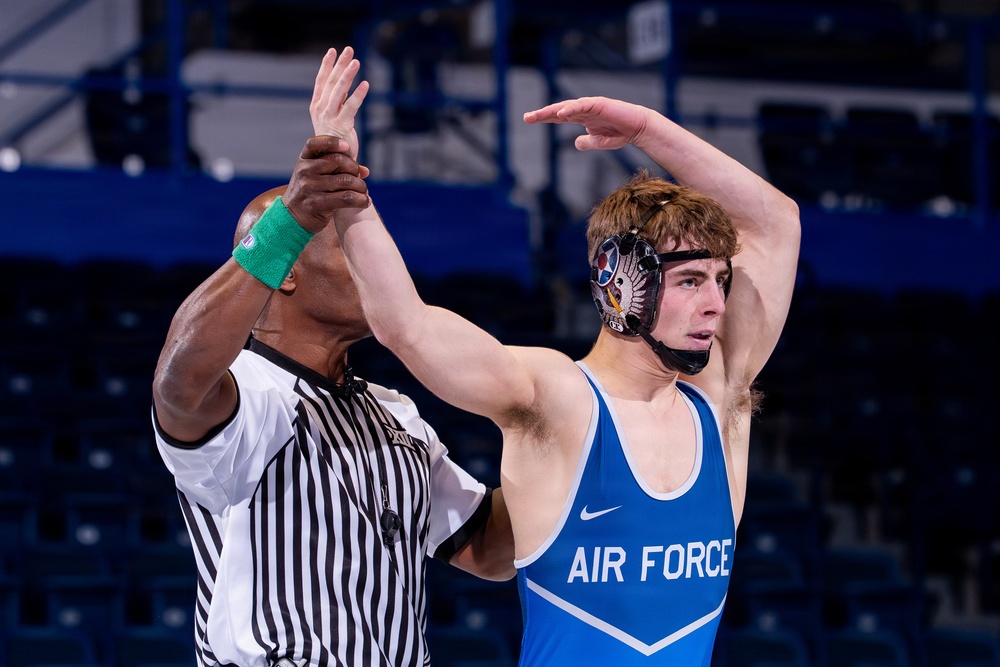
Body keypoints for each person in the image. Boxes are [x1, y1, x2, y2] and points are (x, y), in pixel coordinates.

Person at [309, 48, 800, 665]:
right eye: (691, 281)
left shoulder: (720, 401)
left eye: (721, 282)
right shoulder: (557, 398)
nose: (716, 306)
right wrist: (342, 179)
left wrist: (647, 129)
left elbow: (777, 223)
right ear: (625, 283)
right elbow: (407, 327)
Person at [150, 49, 515, 667]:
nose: (376, 264)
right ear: (286, 271)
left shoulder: (394, 413)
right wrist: (292, 217)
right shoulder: (248, 392)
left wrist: (554, 427)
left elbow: (490, 549)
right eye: (347, 245)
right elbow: (178, 381)